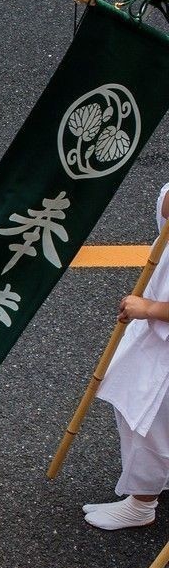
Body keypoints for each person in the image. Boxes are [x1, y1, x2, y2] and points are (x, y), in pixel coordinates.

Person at [84, 182, 169, 530]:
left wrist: (148, 307)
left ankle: (142, 502)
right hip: (154, 337)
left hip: (162, 354)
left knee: (146, 423)